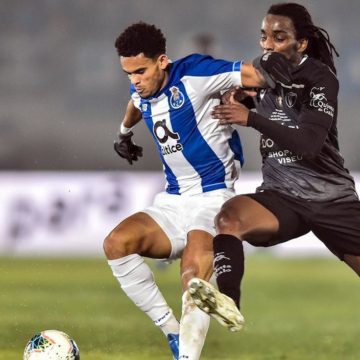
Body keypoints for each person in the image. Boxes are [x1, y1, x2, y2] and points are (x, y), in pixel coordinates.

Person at [103, 21, 290, 360]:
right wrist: (122, 135)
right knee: (116, 244)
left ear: (162, 61)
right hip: (171, 202)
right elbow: (134, 105)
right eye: (128, 74)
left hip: (214, 199)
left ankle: (186, 357)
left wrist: (256, 91)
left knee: (194, 280)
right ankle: (173, 332)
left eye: (141, 71)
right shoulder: (141, 90)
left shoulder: (197, 73)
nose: (135, 81)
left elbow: (255, 75)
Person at [188, 2, 360, 333]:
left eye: (279, 37)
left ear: (302, 43)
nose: (268, 44)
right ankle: (229, 303)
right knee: (229, 219)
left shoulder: (321, 78)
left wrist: (250, 117)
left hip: (331, 200)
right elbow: (264, 100)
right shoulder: (262, 71)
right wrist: (244, 100)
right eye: (264, 36)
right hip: (282, 198)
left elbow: (309, 144)